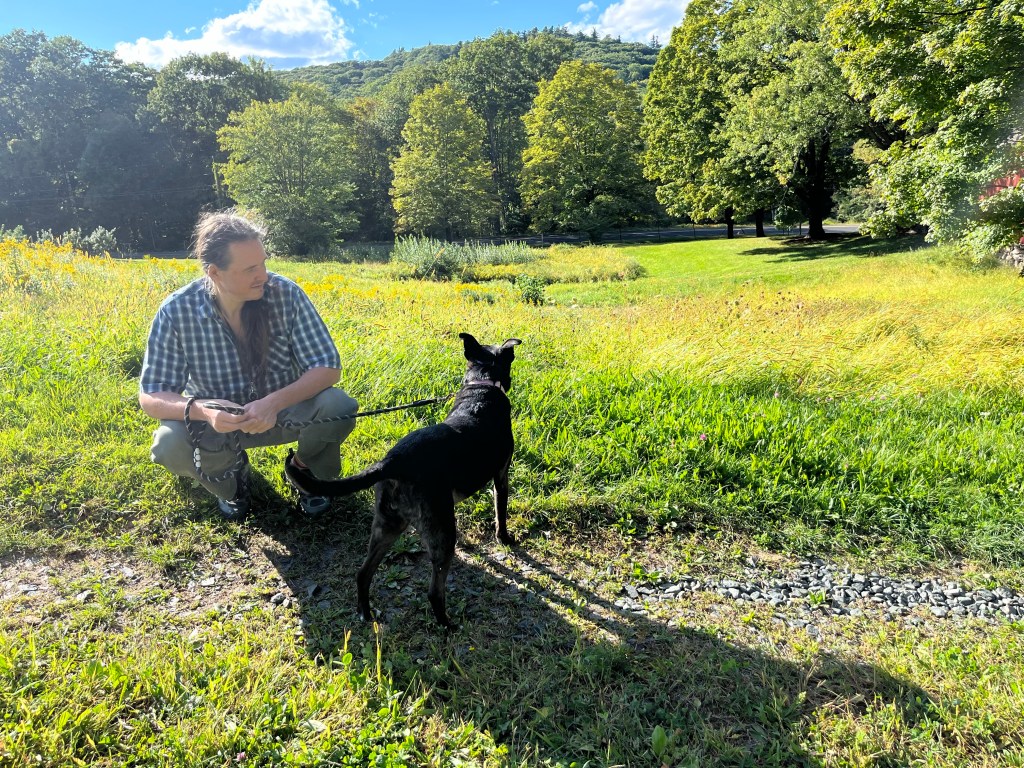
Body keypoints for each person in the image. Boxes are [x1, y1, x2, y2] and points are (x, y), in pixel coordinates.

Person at [138, 210, 357, 520]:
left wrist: (273, 402)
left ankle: (303, 472)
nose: (263, 275)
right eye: (251, 268)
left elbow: (327, 367)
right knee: (168, 444)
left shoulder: (286, 294)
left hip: (284, 413)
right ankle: (230, 482)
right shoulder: (177, 311)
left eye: (264, 263)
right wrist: (207, 412)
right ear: (214, 273)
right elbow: (152, 396)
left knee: (339, 404)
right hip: (216, 425)